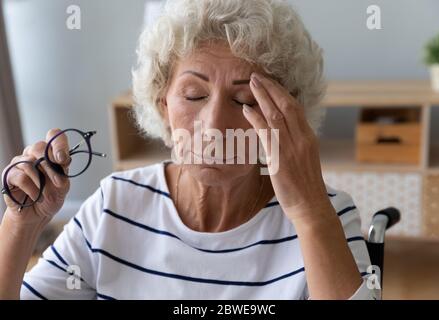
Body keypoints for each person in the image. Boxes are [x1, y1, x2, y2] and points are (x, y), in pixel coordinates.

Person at [0, 0, 377, 300]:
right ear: (163, 104)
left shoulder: (325, 214)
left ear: (285, 117)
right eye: (194, 95)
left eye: (245, 99)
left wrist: (310, 214)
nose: (213, 125)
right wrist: (20, 225)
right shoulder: (113, 206)